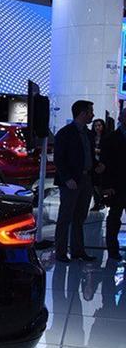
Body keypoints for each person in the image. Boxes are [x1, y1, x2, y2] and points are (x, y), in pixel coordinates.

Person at [54, 100, 105, 262]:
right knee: (65, 216)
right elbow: (59, 159)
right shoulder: (65, 133)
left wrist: (96, 166)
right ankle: (61, 252)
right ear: (82, 113)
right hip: (71, 181)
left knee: (80, 217)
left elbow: (88, 156)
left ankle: (78, 250)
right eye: (90, 112)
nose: (93, 115)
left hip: (86, 179)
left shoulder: (88, 134)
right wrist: (67, 178)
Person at [100, 106, 126, 261]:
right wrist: (107, 186)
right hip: (117, 186)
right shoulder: (110, 139)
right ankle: (113, 250)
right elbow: (105, 165)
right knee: (114, 218)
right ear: (121, 118)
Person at [91, 118, 109, 211]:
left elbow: (108, 151)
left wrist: (97, 151)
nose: (97, 127)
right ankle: (97, 202)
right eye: (95, 126)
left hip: (102, 164)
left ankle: (101, 201)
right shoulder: (91, 137)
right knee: (94, 184)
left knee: (99, 184)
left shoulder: (106, 138)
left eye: (99, 125)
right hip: (93, 163)